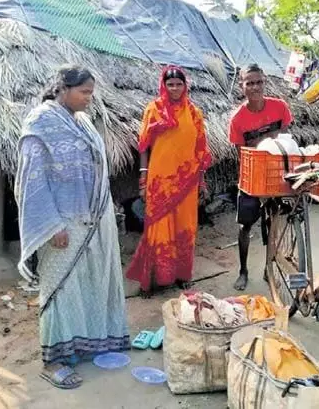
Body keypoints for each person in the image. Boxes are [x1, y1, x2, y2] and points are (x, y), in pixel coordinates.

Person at [15, 65, 130, 389]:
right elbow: (31, 182)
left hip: (92, 220)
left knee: (90, 284)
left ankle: (86, 344)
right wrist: (52, 226)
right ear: (63, 89)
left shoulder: (81, 122)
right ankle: (52, 362)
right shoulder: (40, 122)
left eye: (91, 93)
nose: (89, 100)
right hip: (63, 223)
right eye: (85, 93)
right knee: (60, 290)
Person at [126, 65, 212, 298]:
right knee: (158, 228)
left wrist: (201, 182)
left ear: (186, 86)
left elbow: (200, 151)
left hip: (187, 181)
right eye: (170, 84)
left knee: (185, 228)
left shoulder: (194, 113)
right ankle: (152, 280)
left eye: (179, 84)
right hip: (160, 180)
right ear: (163, 86)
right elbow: (144, 146)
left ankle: (182, 276)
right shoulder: (153, 110)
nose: (174, 88)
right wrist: (143, 179)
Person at [228, 63, 294, 290]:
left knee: (274, 221)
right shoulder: (237, 119)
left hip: (276, 172)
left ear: (264, 82)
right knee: (245, 226)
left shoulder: (280, 107)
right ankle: (243, 271)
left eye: (259, 82)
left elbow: (287, 141)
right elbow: (242, 155)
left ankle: (269, 267)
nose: (255, 87)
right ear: (242, 86)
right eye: (250, 83)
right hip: (251, 175)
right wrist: (265, 140)